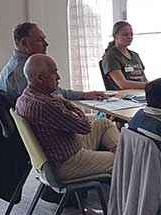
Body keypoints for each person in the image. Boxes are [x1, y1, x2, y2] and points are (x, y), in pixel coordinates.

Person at [16, 54, 120, 182]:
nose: (58, 77)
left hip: (64, 148)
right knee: (120, 160)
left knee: (104, 123)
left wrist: (61, 101)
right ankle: (122, 162)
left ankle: (119, 152)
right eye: (54, 73)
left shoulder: (24, 97)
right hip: (66, 162)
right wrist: (67, 103)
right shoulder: (47, 105)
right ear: (40, 78)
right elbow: (85, 127)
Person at [0, 22, 106, 101]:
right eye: (40, 40)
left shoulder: (17, 63)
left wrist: (84, 95)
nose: (46, 44)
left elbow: (54, 91)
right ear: (24, 43)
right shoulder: (20, 71)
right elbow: (49, 98)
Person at [100, 21, 147, 90]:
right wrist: (149, 85)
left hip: (141, 93)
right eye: (125, 34)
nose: (129, 37)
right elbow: (123, 84)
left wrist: (151, 86)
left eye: (131, 34)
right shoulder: (111, 56)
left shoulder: (135, 55)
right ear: (115, 36)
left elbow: (144, 79)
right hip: (124, 96)